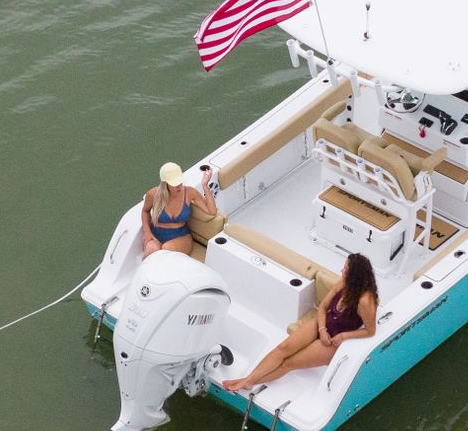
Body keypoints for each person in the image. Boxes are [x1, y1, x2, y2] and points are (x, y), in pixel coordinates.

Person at [220, 252, 378, 393]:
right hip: (324, 324)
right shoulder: (344, 283)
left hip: (334, 339)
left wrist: (342, 337)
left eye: (345, 269)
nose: (341, 271)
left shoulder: (365, 301)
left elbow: (370, 331)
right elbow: (323, 306)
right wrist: (322, 329)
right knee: (283, 348)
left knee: (289, 363)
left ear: (354, 276)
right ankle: (248, 380)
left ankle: (247, 381)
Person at [137, 162, 214, 256]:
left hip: (181, 236)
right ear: (165, 184)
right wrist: (147, 232)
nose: (179, 186)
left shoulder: (190, 192)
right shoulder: (153, 194)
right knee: (151, 251)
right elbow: (145, 211)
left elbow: (211, 211)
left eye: (180, 182)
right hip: (156, 233)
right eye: (175, 183)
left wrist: (205, 186)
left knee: (167, 250)